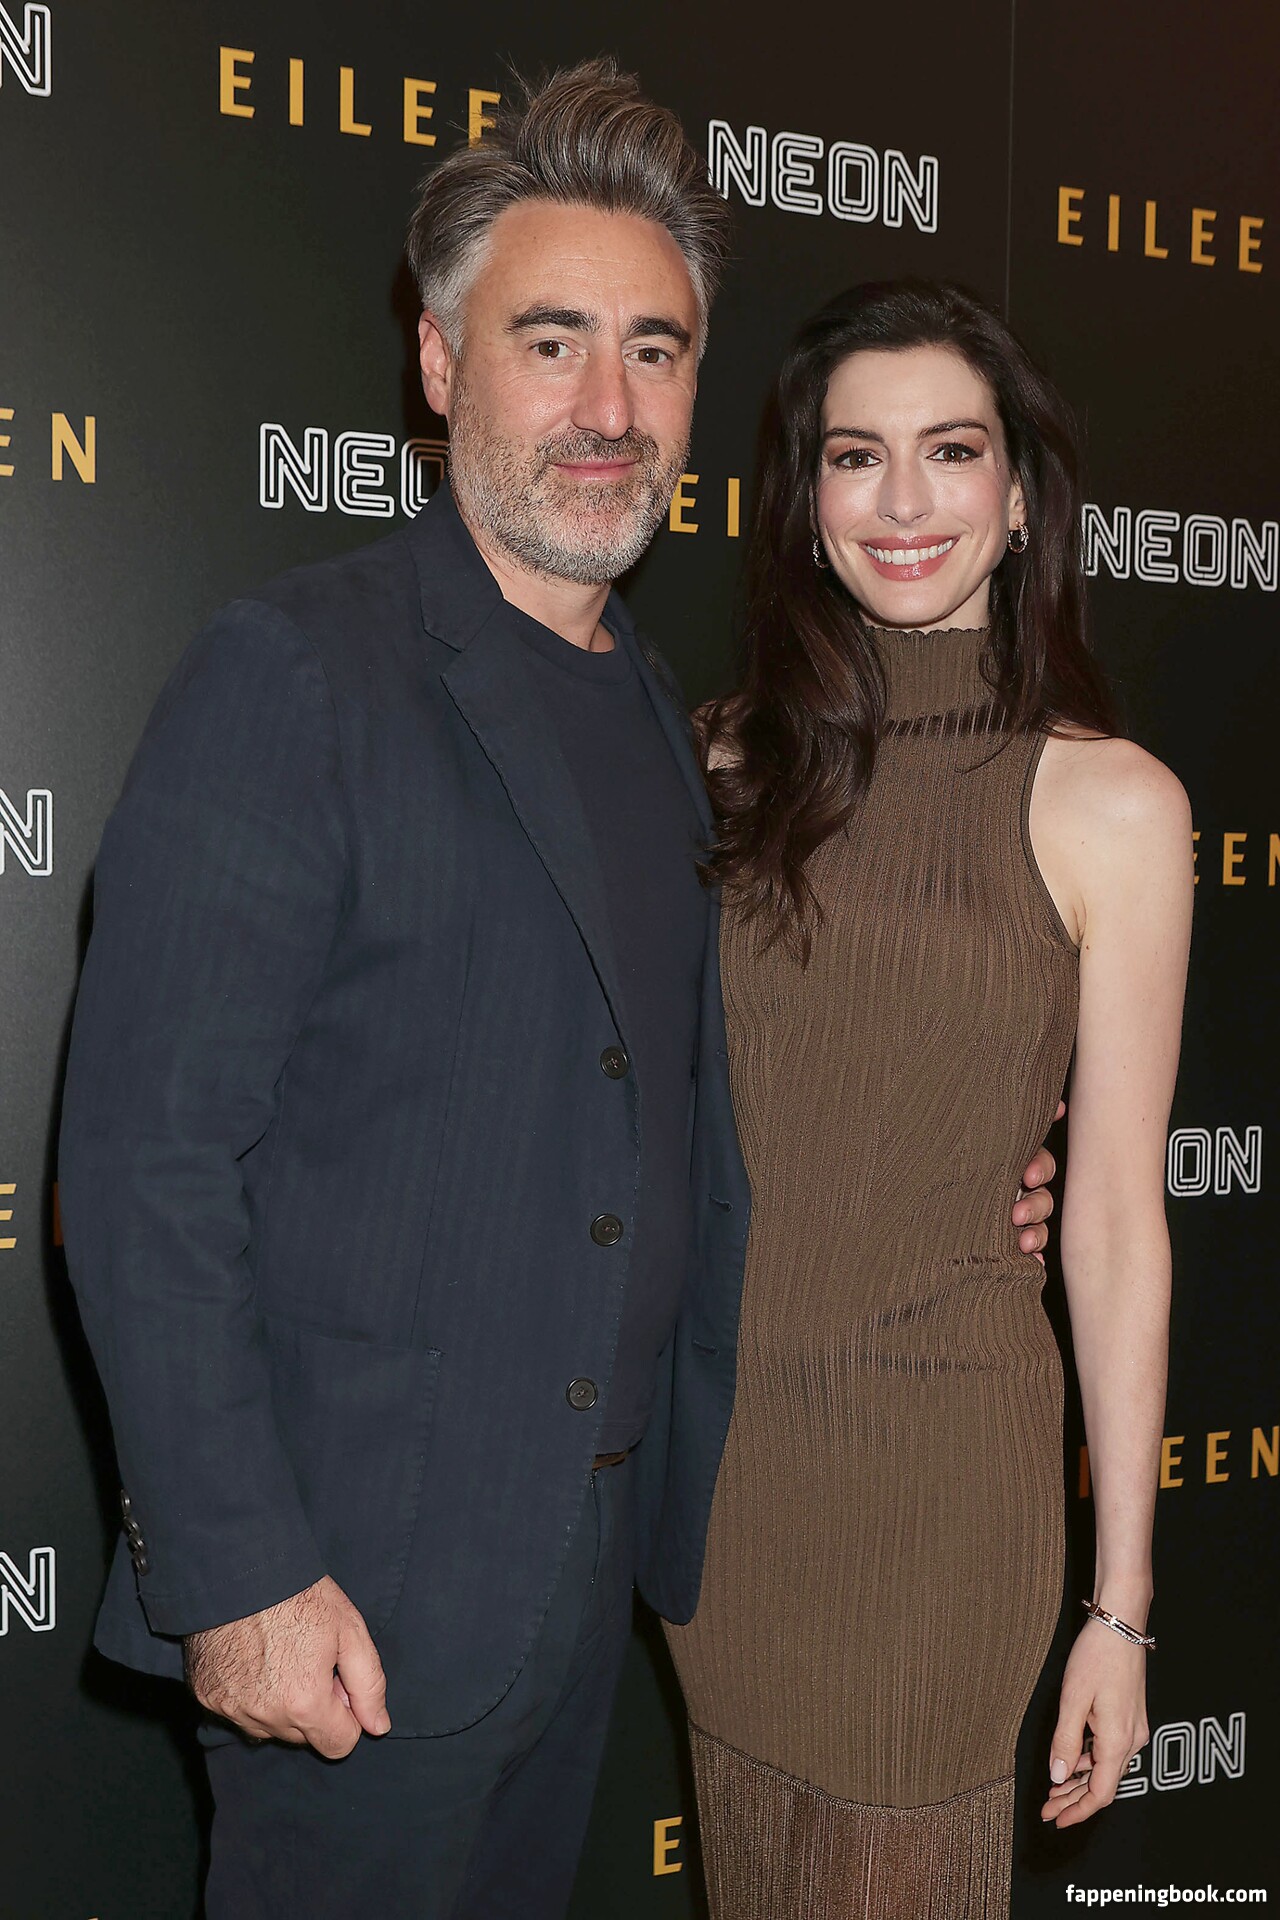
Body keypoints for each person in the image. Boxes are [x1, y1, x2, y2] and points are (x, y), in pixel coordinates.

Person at [57, 67, 1061, 1919]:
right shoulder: (297, 673)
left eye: (655, 352)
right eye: (553, 342)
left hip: (597, 1575)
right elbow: (142, 1166)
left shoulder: (679, 732)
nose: (610, 408)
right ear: (442, 364)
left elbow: (699, 1087)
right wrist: (239, 1575)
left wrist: (989, 1159)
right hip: (346, 1601)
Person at [665, 280, 1193, 1919]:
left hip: (941, 1493)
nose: (903, 501)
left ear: (1020, 496)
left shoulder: (1110, 804)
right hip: (724, 1491)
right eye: (856, 457)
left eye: (951, 451)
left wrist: (1121, 1608)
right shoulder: (718, 763)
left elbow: (1114, 1221)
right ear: (806, 503)